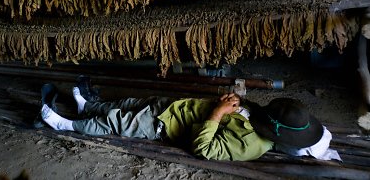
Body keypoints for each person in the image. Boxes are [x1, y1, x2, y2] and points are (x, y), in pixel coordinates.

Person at [39, 76, 331, 161]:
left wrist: (217, 114)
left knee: (118, 121)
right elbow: (247, 107)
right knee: (123, 103)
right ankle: (84, 107)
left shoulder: (250, 146)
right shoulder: (260, 116)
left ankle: (67, 124)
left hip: (166, 125)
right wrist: (237, 102)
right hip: (175, 106)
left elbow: (203, 149)